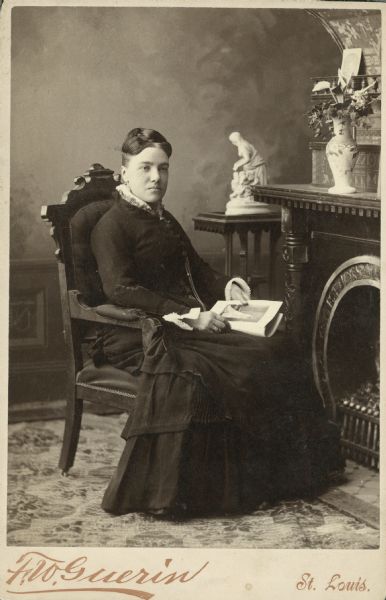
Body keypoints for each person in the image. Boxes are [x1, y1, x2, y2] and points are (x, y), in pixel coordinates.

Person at [90, 127, 344, 518]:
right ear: (124, 172)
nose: (157, 178)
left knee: (275, 346)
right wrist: (191, 315)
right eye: (145, 168)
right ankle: (200, 492)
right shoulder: (111, 225)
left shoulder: (163, 219)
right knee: (218, 369)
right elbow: (122, 290)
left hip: (187, 323)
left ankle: (281, 475)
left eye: (164, 168)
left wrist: (228, 286)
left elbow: (197, 270)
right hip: (137, 334)